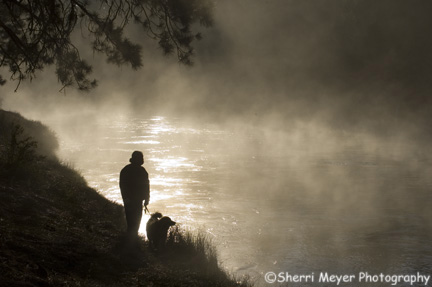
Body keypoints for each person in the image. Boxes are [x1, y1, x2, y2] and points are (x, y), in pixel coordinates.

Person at [119, 151, 150, 240]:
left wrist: (146, 198)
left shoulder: (126, 170)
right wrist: (146, 198)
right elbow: (146, 185)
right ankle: (132, 238)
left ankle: (132, 238)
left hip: (133, 200)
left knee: (133, 219)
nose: (142, 160)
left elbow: (122, 186)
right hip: (134, 200)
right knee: (134, 219)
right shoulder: (141, 170)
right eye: (141, 158)